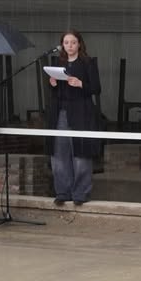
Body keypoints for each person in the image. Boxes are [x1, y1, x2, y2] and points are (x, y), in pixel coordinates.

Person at [45, 30, 101, 206]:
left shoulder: (88, 63)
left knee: (81, 153)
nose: (69, 46)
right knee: (60, 153)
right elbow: (55, 92)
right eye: (66, 42)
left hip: (81, 112)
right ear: (62, 45)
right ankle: (63, 191)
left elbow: (96, 88)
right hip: (61, 112)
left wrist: (80, 83)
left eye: (73, 42)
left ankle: (80, 193)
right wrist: (53, 84)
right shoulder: (57, 63)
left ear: (79, 44)